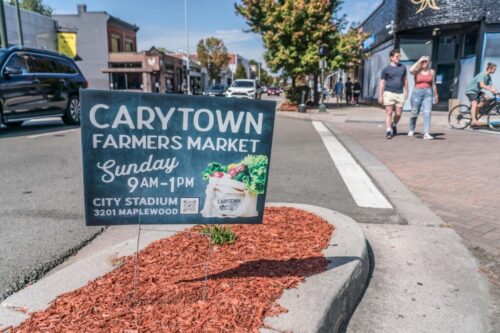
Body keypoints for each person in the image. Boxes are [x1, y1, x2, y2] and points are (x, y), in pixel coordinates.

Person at [378, 49, 409, 139]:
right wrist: (380, 95)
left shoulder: (403, 67)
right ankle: (388, 131)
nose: (398, 58)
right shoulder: (386, 69)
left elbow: (405, 80)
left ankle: (394, 124)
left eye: (399, 56)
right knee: (389, 112)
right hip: (389, 92)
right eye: (397, 56)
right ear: (391, 58)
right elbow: (382, 82)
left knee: (398, 114)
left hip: (400, 93)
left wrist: (407, 92)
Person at [408, 56, 439, 140]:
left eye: (426, 61)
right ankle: (411, 129)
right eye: (423, 61)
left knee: (427, 112)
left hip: (428, 93)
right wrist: (419, 60)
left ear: (429, 62)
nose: (425, 63)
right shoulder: (417, 71)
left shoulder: (432, 72)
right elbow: (411, 70)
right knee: (414, 113)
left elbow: (433, 84)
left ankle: (426, 133)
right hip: (417, 92)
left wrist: (436, 94)